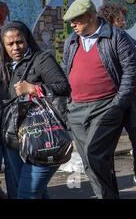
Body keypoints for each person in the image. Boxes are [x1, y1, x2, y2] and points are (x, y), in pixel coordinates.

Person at [62, 0, 136, 199]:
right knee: (92, 161)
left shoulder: (116, 37)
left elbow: (131, 71)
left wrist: (118, 105)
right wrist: (64, 104)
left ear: (90, 16)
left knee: (94, 152)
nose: (73, 25)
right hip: (76, 109)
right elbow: (65, 70)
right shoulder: (71, 41)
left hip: (106, 106)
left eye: (76, 21)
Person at [0, 21, 70, 199]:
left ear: (27, 40)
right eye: (10, 44)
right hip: (12, 139)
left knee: (27, 193)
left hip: (39, 136)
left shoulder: (41, 59)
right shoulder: (4, 66)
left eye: (20, 42)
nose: (15, 47)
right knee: (32, 191)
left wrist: (33, 88)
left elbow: (63, 87)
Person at [97, 2, 136, 193]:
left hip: (130, 99)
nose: (123, 22)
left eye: (122, 18)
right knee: (107, 144)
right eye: (119, 19)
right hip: (110, 99)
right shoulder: (101, 41)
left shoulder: (128, 39)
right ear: (109, 21)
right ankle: (109, 183)